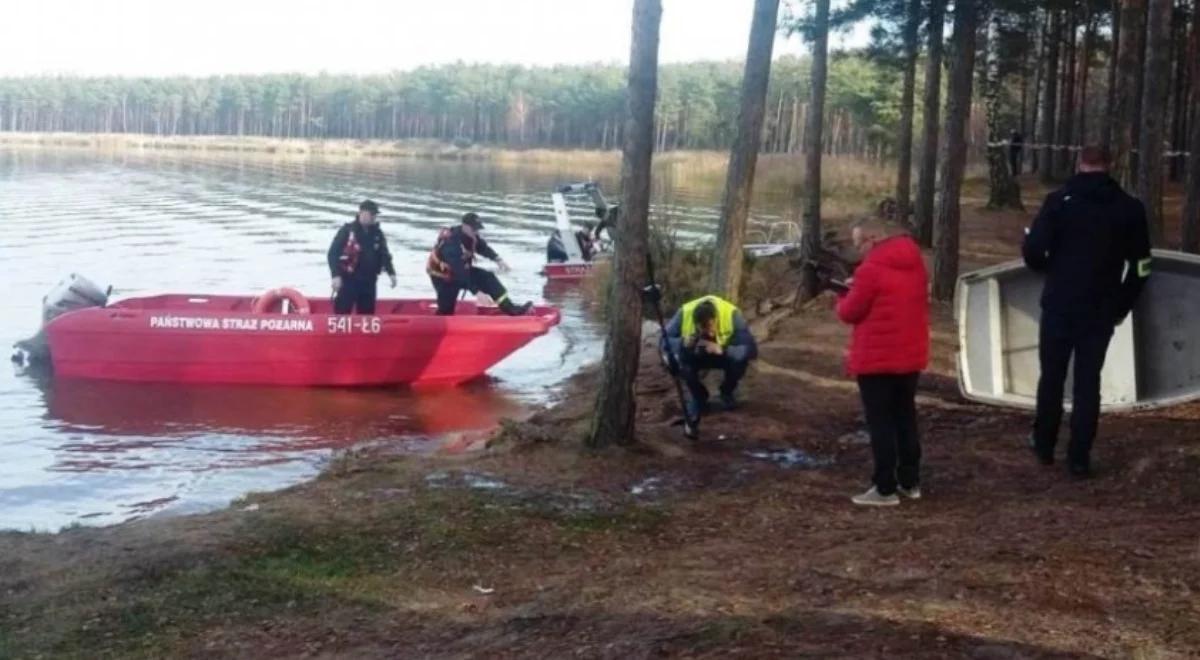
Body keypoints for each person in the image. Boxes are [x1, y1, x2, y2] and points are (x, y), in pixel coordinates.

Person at [1022, 145, 1152, 478]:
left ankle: (1044, 444)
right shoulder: (1130, 208)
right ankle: (1079, 457)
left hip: (1060, 304)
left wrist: (1050, 269)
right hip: (1101, 309)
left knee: (1051, 376)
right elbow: (1140, 266)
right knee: (1087, 383)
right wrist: (1122, 305)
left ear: (1080, 163)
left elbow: (1034, 250)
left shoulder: (1058, 202)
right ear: (1110, 165)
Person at [835, 216, 929, 507]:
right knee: (905, 416)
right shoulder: (915, 262)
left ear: (873, 239)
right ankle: (909, 481)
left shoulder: (871, 270)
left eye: (859, 243)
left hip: (877, 357)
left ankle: (884, 487)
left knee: (880, 423)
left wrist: (843, 295)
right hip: (909, 353)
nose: (858, 250)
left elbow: (850, 312)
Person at [661, 295, 758, 418]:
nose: (710, 333)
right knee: (675, 360)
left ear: (716, 318)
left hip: (722, 354)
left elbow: (751, 350)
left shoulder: (731, 314)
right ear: (696, 324)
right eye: (703, 329)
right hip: (694, 355)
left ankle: (727, 392)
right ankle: (699, 396)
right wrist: (682, 343)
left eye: (711, 326)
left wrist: (723, 349)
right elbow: (663, 341)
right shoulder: (684, 313)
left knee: (740, 361)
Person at [427, 212, 532, 316]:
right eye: (474, 229)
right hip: (442, 276)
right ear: (464, 226)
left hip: (461, 271)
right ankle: (438, 321)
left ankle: (511, 309)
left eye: (477, 229)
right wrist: (477, 292)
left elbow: (482, 247)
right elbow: (459, 271)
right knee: (446, 310)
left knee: (488, 278)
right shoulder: (451, 242)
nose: (476, 232)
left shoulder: (472, 235)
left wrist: (498, 259)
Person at [327, 199, 396, 314]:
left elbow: (384, 254)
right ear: (361, 213)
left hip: (369, 281)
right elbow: (332, 254)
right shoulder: (347, 231)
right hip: (349, 279)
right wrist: (335, 275)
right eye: (372, 214)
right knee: (342, 311)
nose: (374, 217)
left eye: (375, 215)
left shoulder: (377, 233)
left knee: (367, 313)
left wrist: (391, 273)